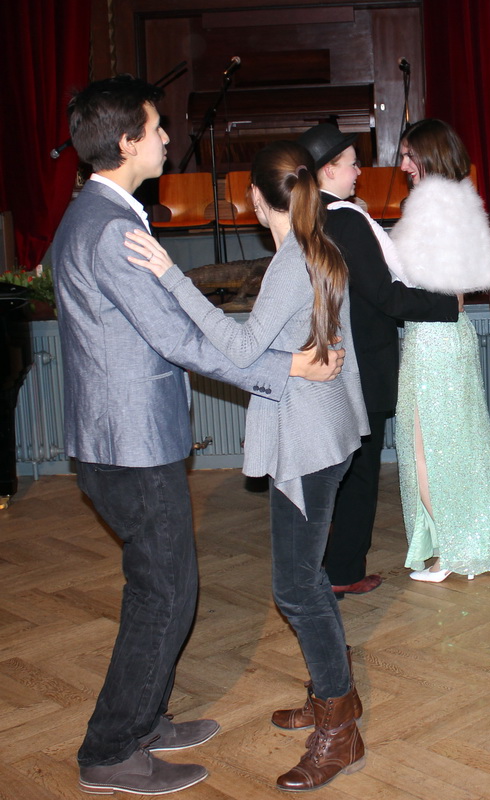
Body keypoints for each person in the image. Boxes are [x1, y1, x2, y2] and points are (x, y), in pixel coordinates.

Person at [53, 76, 343, 796]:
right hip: (129, 441)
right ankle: (112, 748)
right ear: (127, 142)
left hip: (123, 436)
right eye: (156, 129)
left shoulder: (98, 213)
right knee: (165, 594)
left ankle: (145, 720)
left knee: (163, 586)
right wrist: (287, 368)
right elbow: (179, 340)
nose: (166, 139)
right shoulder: (111, 227)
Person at [126, 140, 370, 792]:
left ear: (255, 199)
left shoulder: (293, 262)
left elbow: (237, 345)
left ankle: (340, 727)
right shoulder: (318, 248)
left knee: (296, 587)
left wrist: (172, 276)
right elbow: (322, 347)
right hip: (325, 429)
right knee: (307, 577)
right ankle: (332, 694)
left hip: (307, 438)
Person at [293, 122, 460, 603]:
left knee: (337, 470)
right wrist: (447, 305)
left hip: (328, 357)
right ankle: (343, 570)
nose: (359, 172)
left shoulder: (309, 215)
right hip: (362, 363)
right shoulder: (345, 220)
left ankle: (327, 563)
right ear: (328, 170)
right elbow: (384, 295)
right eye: (351, 165)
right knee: (359, 472)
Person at [389, 118, 490, 582]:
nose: (403, 165)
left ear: (429, 155)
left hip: (433, 338)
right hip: (452, 334)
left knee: (426, 450)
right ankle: (470, 543)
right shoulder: (462, 202)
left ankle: (452, 552)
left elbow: (425, 284)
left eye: (409, 155)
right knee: (459, 445)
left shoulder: (431, 207)